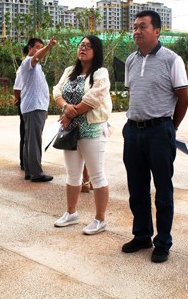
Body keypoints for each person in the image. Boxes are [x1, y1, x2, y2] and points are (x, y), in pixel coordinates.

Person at [121, 10, 188, 263]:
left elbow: (183, 98)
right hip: (133, 131)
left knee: (163, 189)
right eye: (135, 27)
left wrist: (171, 127)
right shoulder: (131, 60)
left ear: (157, 31)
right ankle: (141, 235)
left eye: (143, 27)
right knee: (136, 188)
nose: (137, 31)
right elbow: (134, 93)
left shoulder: (172, 60)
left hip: (159, 131)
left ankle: (163, 242)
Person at [52, 35, 113, 234]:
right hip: (70, 131)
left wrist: (69, 114)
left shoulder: (100, 73)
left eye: (88, 46)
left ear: (96, 51)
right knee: (72, 174)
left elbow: (94, 97)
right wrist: (66, 108)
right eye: (81, 45)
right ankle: (71, 213)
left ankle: (100, 219)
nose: (83, 49)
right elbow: (57, 91)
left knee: (96, 175)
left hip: (91, 130)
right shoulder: (70, 71)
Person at [20, 37, 57, 182]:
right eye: (37, 47)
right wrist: (49, 46)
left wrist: (44, 107)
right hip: (34, 106)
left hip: (36, 106)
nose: (39, 50)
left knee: (29, 139)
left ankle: (29, 171)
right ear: (30, 48)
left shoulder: (37, 67)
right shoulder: (28, 62)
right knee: (34, 140)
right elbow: (36, 57)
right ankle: (36, 173)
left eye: (41, 47)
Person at [13, 44, 29, 170]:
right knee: (25, 132)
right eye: (37, 47)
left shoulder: (35, 67)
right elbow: (17, 88)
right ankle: (24, 162)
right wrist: (18, 98)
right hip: (24, 101)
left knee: (28, 133)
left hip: (29, 102)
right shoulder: (23, 67)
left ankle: (27, 161)